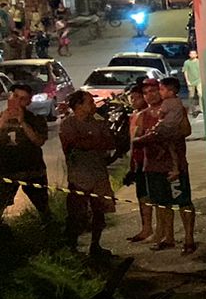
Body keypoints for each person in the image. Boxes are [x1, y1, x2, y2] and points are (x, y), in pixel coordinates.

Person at [134, 76, 196, 253]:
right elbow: (136, 139)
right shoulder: (143, 116)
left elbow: (185, 131)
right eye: (145, 93)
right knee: (162, 203)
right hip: (152, 166)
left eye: (154, 90)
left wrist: (163, 135)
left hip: (175, 167)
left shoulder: (174, 109)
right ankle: (168, 237)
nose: (150, 95)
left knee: (183, 201)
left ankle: (189, 238)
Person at [59, 90, 118, 258]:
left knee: (99, 212)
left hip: (98, 175)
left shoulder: (98, 121)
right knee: (76, 214)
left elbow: (110, 142)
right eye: (89, 102)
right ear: (78, 105)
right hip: (79, 176)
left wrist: (89, 141)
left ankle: (95, 246)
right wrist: (93, 142)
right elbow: (72, 144)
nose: (93, 105)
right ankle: (71, 247)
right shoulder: (68, 124)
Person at [0, 81, 52, 228]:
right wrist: (2, 122)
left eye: (23, 99)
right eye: (15, 96)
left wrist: (23, 123)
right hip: (7, 172)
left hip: (32, 171)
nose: (17, 101)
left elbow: (39, 141)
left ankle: (50, 235)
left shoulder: (35, 118)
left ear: (28, 101)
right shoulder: (1, 118)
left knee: (43, 207)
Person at [126, 79, 159, 243]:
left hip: (149, 160)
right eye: (131, 98)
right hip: (138, 161)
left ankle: (156, 230)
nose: (133, 101)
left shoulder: (148, 115)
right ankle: (146, 228)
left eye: (136, 97)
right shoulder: (134, 116)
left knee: (152, 196)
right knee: (142, 196)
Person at [183, 50, 203, 116]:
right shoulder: (187, 62)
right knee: (191, 95)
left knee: (200, 94)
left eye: (194, 53)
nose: (192, 55)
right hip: (191, 81)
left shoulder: (199, 62)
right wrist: (187, 81)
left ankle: (202, 108)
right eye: (191, 54)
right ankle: (192, 109)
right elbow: (185, 72)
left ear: (196, 55)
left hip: (199, 80)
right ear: (189, 55)